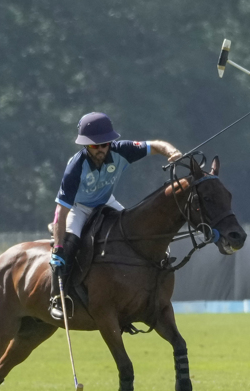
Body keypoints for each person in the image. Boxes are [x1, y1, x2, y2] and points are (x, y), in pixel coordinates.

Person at [48, 112, 182, 320]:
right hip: (79, 207)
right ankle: (58, 297)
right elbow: (61, 211)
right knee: (69, 246)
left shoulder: (122, 151)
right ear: (85, 146)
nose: (101, 149)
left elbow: (156, 145)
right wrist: (58, 246)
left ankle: (152, 281)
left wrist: (172, 152)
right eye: (95, 146)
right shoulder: (75, 167)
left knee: (138, 232)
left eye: (105, 144)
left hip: (106, 201)